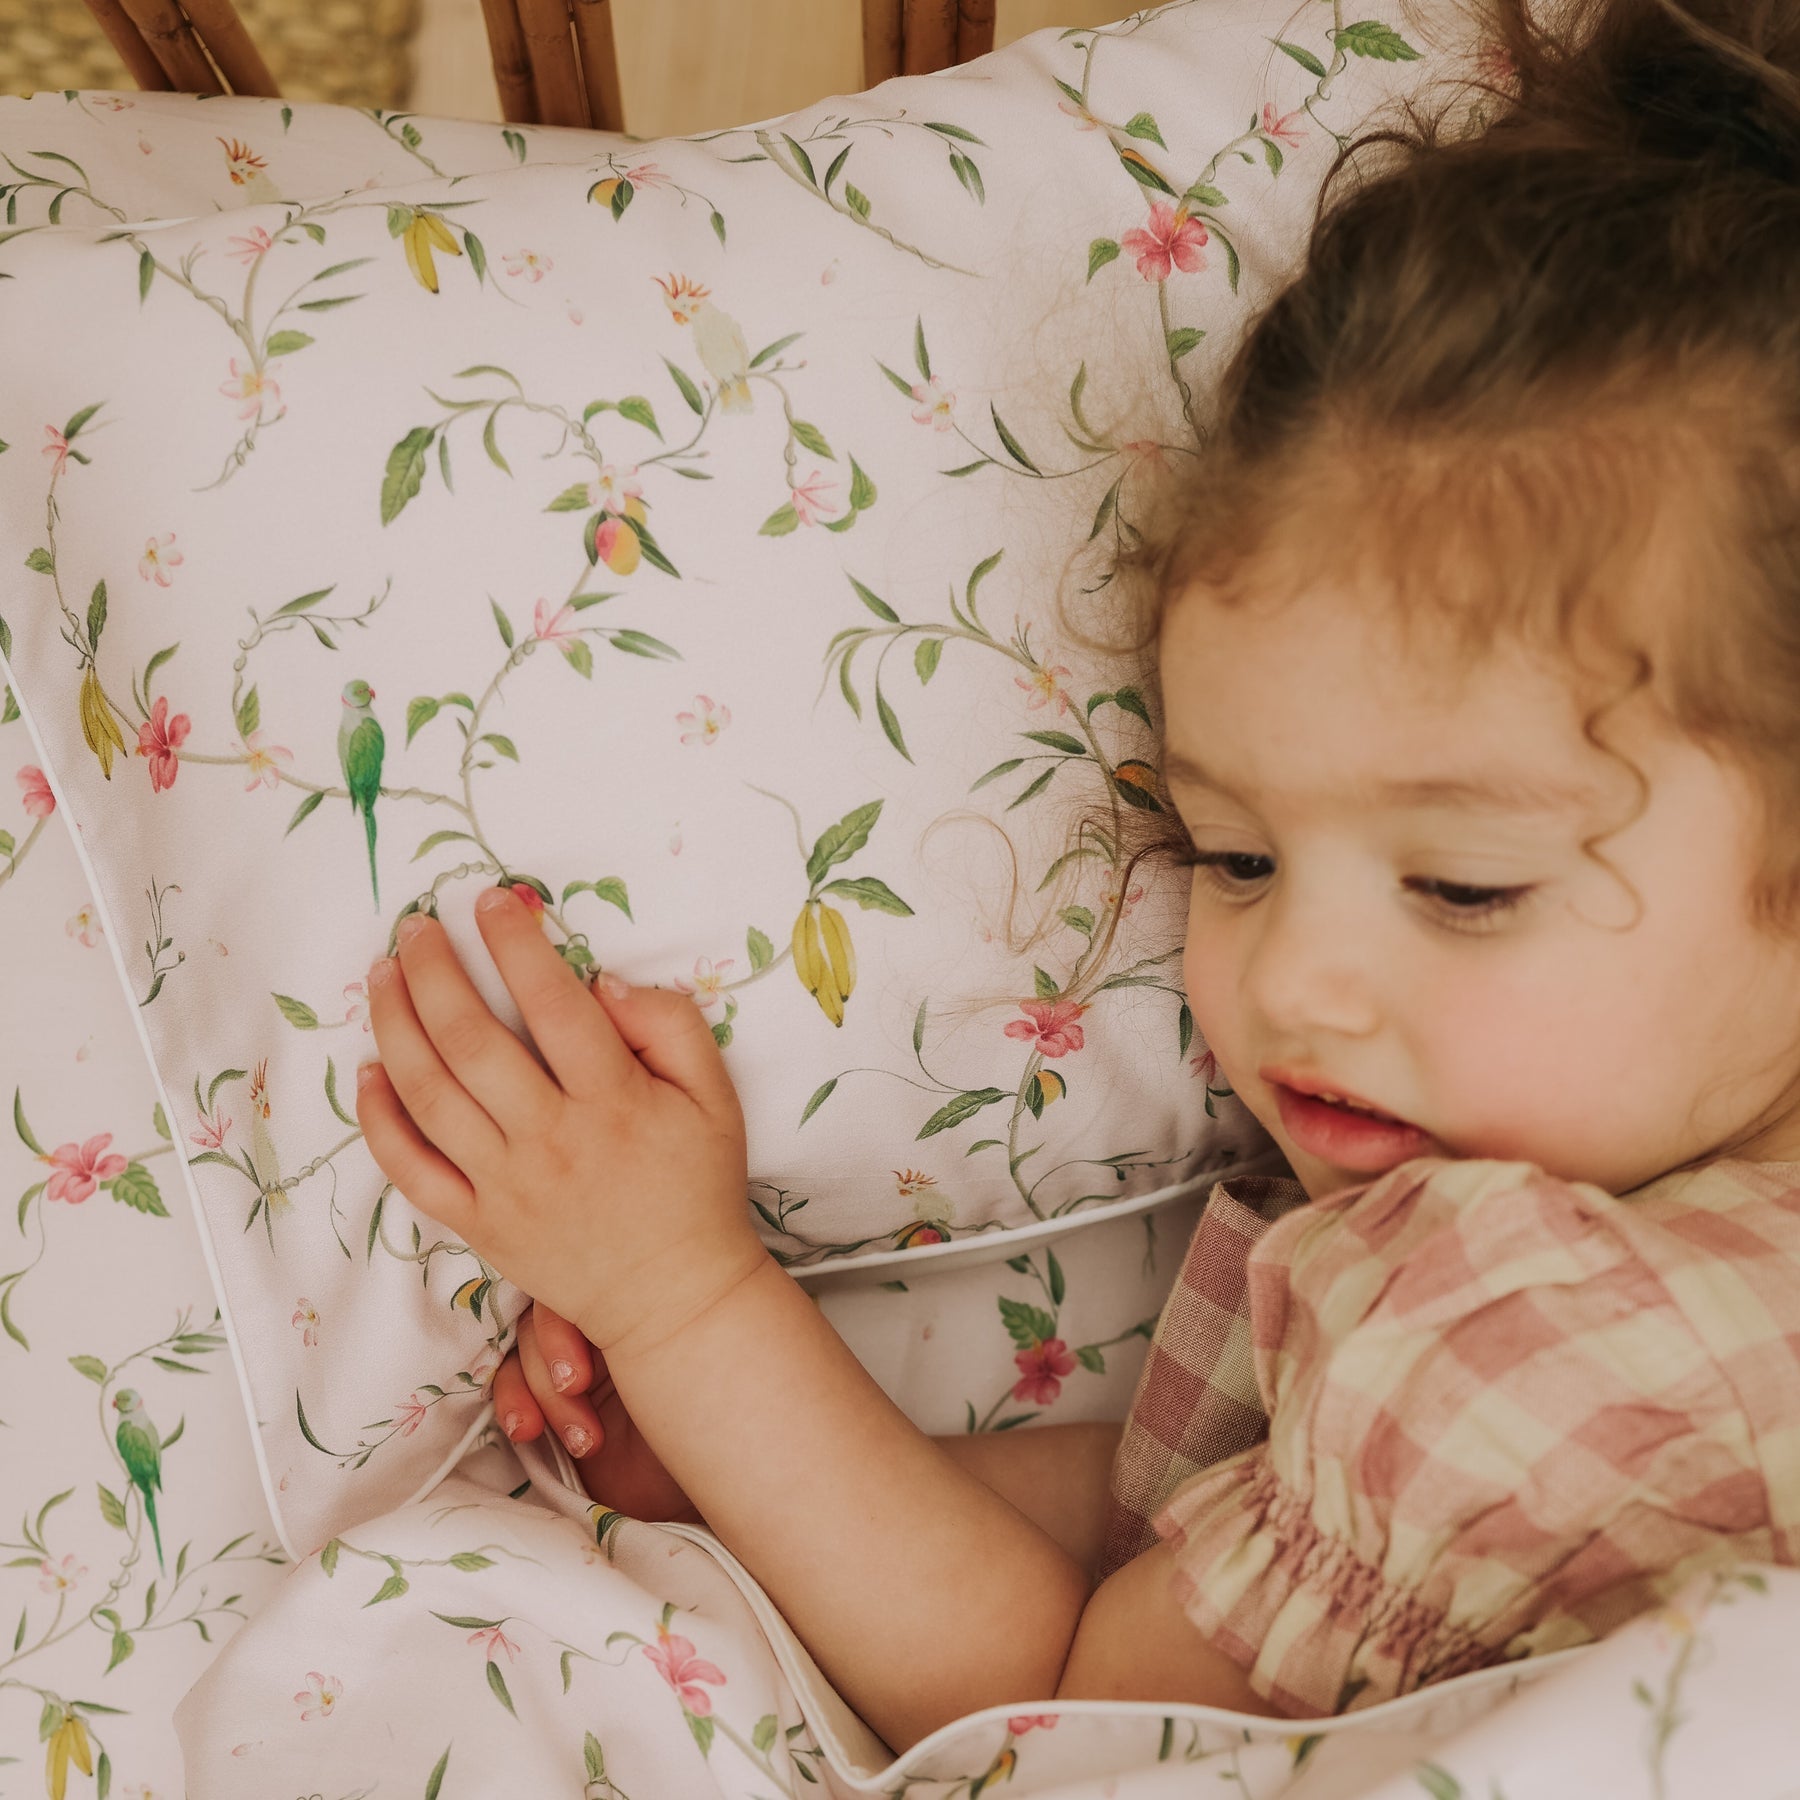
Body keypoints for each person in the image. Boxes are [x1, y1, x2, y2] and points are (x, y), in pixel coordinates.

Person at [352, 0, 1800, 1743]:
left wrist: (686, 1298)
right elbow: (1197, 1530)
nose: (1292, 984)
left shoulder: (1523, 1358)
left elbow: (1069, 1711)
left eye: (1466, 887)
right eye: (1238, 854)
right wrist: (771, 1458)